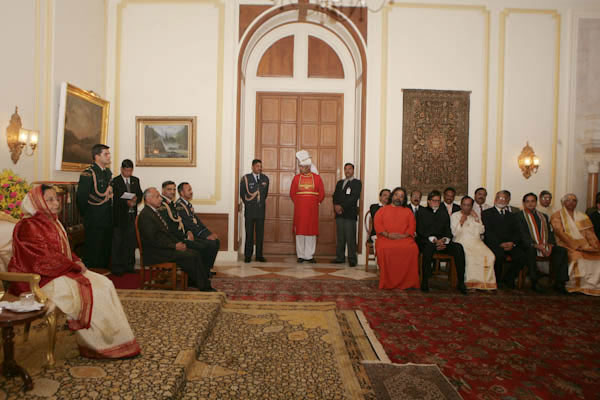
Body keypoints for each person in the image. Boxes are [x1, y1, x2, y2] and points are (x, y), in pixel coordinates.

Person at [9, 185, 141, 358]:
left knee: (106, 283)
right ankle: (97, 344)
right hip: (42, 279)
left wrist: (76, 260)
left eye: (57, 199)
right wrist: (74, 266)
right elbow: (42, 260)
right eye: (50, 200)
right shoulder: (29, 225)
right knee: (95, 291)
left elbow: (64, 251)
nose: (56, 203)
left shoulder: (52, 221)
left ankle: (117, 340)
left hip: (61, 272)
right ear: (37, 202)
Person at [138, 188, 214, 291]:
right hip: (155, 252)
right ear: (148, 199)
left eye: (160, 196)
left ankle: (198, 281)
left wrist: (178, 243)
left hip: (163, 248)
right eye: (157, 197)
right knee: (191, 255)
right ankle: (204, 286)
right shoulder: (145, 215)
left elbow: (166, 234)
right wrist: (174, 246)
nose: (160, 199)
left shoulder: (154, 212)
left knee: (194, 252)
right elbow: (153, 239)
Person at [416, 190, 467, 294]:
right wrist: (434, 240)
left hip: (442, 243)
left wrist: (444, 240)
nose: (436, 203)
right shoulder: (422, 212)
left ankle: (461, 282)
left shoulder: (443, 213)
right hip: (427, 241)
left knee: (458, 247)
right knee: (428, 248)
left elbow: (448, 231)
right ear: (429, 201)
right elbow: (420, 230)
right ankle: (424, 281)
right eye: (434, 201)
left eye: (438, 201)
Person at [517, 193, 569, 293]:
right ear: (524, 203)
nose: (530, 204)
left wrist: (550, 244)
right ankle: (534, 281)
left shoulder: (543, 216)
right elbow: (521, 234)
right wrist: (536, 245)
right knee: (530, 250)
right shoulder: (519, 216)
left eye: (532, 201)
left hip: (544, 244)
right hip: (528, 245)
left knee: (561, 251)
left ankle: (560, 282)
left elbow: (550, 232)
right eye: (527, 201)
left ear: (536, 202)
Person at [550, 193, 600, 296]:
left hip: (584, 246)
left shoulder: (583, 216)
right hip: (566, 245)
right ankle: (576, 285)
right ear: (563, 202)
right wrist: (577, 246)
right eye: (568, 200)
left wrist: (594, 246)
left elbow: (590, 233)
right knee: (578, 257)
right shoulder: (557, 216)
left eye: (574, 200)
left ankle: (592, 285)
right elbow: (561, 234)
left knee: (597, 256)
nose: (571, 202)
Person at [373, 187, 420, 290]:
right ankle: (387, 282)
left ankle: (408, 282)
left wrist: (404, 235)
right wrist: (388, 235)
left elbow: (412, 226)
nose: (398, 198)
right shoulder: (382, 210)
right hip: (386, 238)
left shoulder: (408, 211)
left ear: (404, 199)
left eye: (401, 196)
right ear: (392, 196)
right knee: (384, 248)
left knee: (412, 248)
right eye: (396, 195)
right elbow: (377, 224)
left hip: (404, 238)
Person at [76, 144, 113, 269]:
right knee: (94, 249)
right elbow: (81, 197)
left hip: (107, 216)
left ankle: (103, 272)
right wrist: (87, 215)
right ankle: (93, 274)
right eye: (106, 154)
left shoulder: (107, 172)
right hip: (94, 218)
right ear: (97, 156)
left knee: (105, 248)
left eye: (109, 154)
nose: (109, 156)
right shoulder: (88, 173)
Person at [482, 190, 527, 288]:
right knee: (498, 255)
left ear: (508, 200)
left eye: (505, 198)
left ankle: (509, 278)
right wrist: (499, 244)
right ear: (495, 199)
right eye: (500, 198)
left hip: (510, 244)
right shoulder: (486, 213)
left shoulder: (512, 215)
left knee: (522, 256)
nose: (502, 200)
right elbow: (488, 232)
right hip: (494, 244)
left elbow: (517, 232)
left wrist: (512, 243)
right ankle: (497, 281)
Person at [451, 196, 496, 290]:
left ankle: (486, 283)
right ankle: (470, 283)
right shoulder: (455, 215)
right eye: (464, 205)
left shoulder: (475, 215)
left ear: (471, 206)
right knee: (471, 256)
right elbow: (454, 233)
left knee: (490, 255)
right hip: (461, 241)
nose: (466, 207)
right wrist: (461, 222)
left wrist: (476, 218)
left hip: (476, 242)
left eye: (468, 205)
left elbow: (481, 231)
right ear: (461, 205)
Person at [176, 182, 220, 273]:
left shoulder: (188, 204)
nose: (191, 192)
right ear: (181, 193)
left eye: (191, 189)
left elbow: (198, 222)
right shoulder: (180, 206)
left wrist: (209, 233)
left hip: (195, 232)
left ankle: (206, 269)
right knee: (210, 244)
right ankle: (203, 270)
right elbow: (189, 225)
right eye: (189, 190)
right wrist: (205, 236)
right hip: (189, 234)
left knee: (216, 241)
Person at [290, 150, 325, 263]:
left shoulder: (317, 178)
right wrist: (301, 203)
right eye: (300, 167)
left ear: (308, 167)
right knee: (300, 232)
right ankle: (300, 255)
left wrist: (313, 203)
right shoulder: (296, 178)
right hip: (300, 211)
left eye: (302, 167)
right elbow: (292, 193)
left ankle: (309, 256)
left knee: (311, 233)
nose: (300, 169)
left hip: (312, 211)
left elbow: (322, 193)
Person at [110, 159, 143, 276]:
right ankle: (117, 267)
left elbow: (140, 194)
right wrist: (126, 203)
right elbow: (114, 199)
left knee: (131, 242)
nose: (128, 173)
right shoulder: (115, 181)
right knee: (118, 242)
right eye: (126, 170)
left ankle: (129, 265)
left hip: (132, 216)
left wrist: (135, 200)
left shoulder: (135, 180)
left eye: (130, 170)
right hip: (120, 216)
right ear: (122, 169)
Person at [332, 163, 362, 267]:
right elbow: (335, 195)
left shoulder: (357, 183)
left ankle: (352, 259)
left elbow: (353, 198)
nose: (347, 171)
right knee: (340, 237)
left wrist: (342, 207)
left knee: (350, 237)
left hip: (350, 214)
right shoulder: (340, 182)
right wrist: (336, 206)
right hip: (339, 214)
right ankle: (340, 258)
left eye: (349, 169)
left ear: (353, 170)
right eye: (345, 169)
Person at [240, 159, 269, 263]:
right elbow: (243, 194)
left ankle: (259, 255)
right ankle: (248, 256)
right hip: (250, 211)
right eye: (257, 166)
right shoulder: (246, 178)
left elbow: (264, 195)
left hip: (261, 211)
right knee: (249, 234)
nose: (259, 168)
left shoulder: (265, 178)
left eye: (260, 166)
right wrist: (249, 204)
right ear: (252, 167)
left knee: (260, 234)